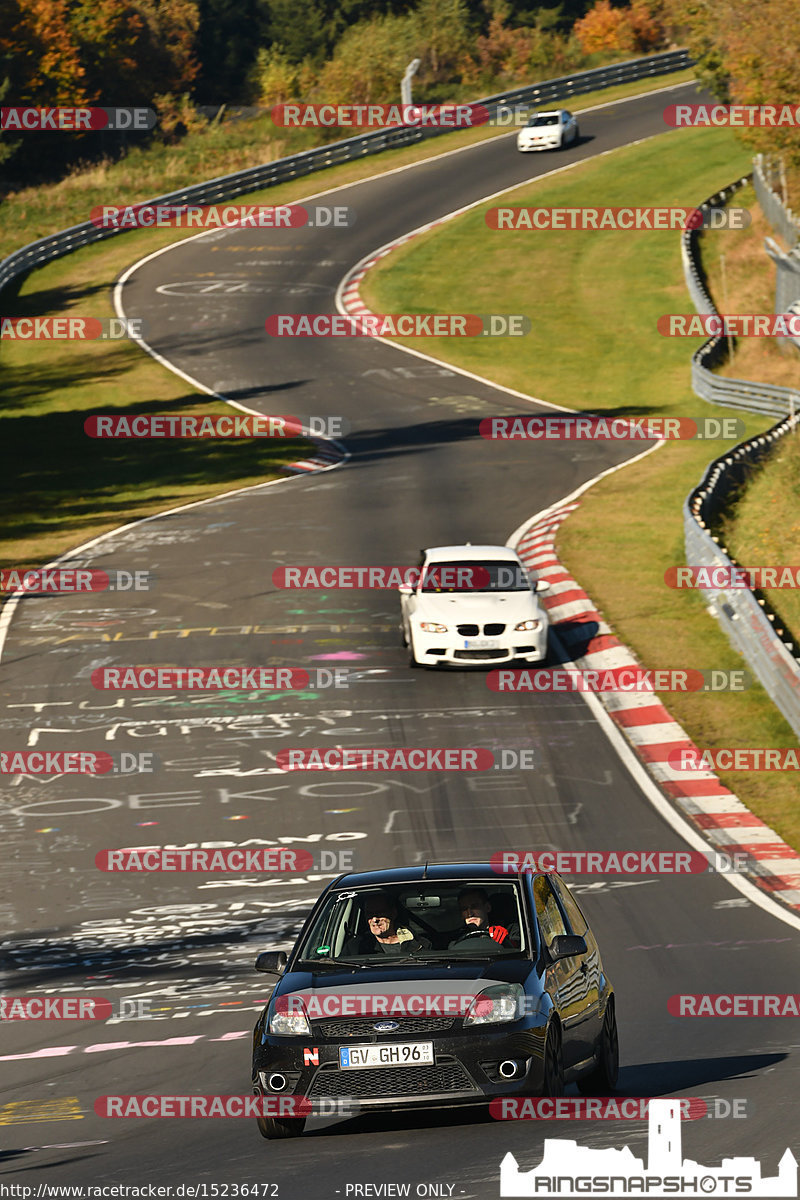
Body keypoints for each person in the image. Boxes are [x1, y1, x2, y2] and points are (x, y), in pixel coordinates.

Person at [342, 891, 430, 956]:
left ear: (393, 913)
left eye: (379, 913)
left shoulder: (419, 944)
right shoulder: (355, 947)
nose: (374, 919)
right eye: (370, 914)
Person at [448, 887, 520, 948]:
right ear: (461, 915)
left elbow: (521, 948)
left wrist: (506, 940)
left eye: (474, 907)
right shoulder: (456, 937)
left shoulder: (508, 929)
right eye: (464, 909)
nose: (470, 914)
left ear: (487, 907)